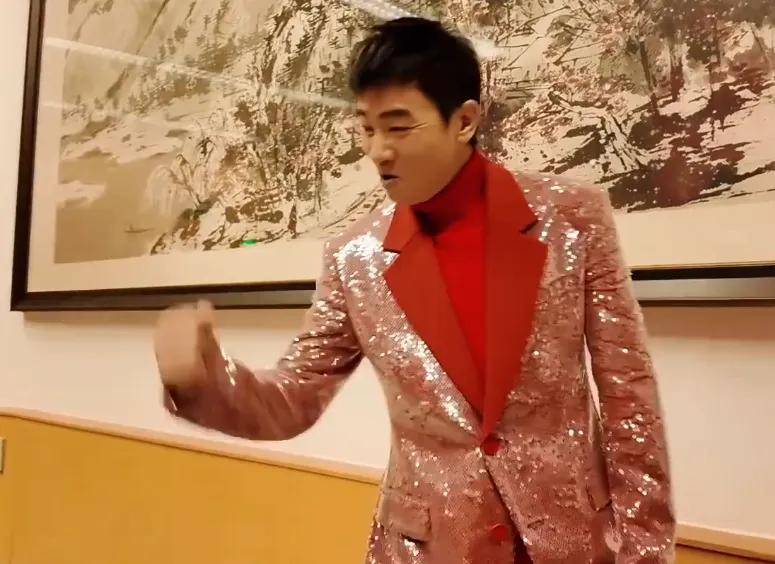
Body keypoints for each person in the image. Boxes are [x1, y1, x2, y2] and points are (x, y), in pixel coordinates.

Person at [154, 17, 675, 564]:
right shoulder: (353, 257)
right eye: (366, 128)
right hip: (428, 547)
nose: (377, 151)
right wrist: (205, 381)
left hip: (571, 544)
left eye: (398, 127)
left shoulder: (574, 218)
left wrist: (645, 550)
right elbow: (296, 397)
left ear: (465, 121)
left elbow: (629, 396)